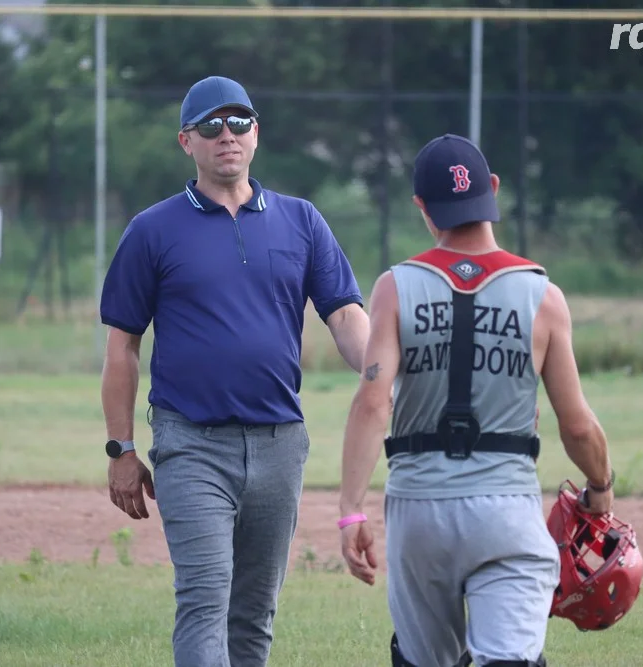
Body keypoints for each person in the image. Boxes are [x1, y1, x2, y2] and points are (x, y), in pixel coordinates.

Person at [99, 75, 371, 667]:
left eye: (239, 122)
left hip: (279, 445)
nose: (228, 135)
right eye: (211, 126)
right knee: (204, 599)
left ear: (256, 133)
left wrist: (388, 375)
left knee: (253, 615)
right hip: (191, 444)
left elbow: (346, 316)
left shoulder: (301, 221)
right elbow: (123, 346)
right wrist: (120, 448)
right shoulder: (153, 229)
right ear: (186, 142)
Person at [336, 134, 616, 667]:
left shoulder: (396, 287)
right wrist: (600, 487)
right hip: (504, 509)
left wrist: (351, 512)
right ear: (493, 189)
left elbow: (373, 404)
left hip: (418, 510)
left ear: (423, 207)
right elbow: (577, 426)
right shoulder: (543, 296)